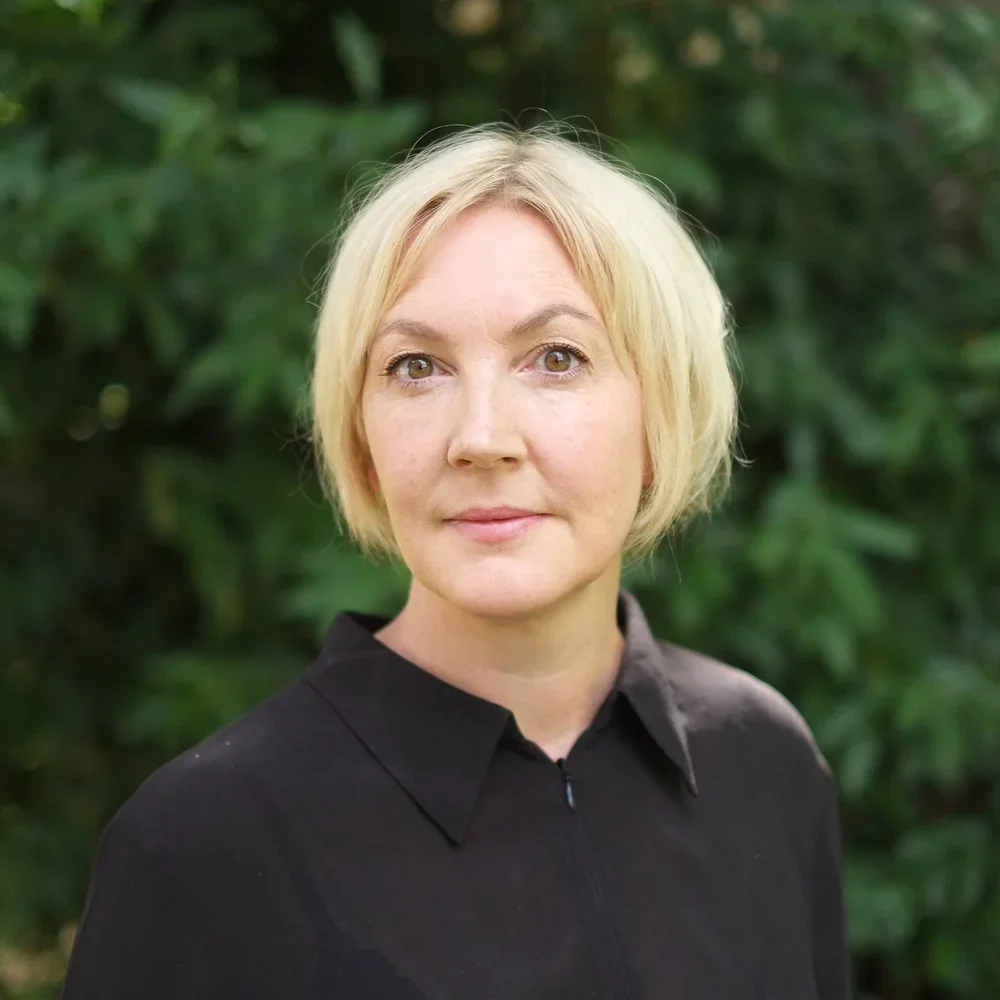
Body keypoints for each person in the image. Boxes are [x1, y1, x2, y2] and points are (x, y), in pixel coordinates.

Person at [60, 123, 850, 1000]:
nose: (480, 438)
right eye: (417, 367)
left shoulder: (764, 761)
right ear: (360, 437)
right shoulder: (200, 845)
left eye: (557, 359)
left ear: (661, 414)